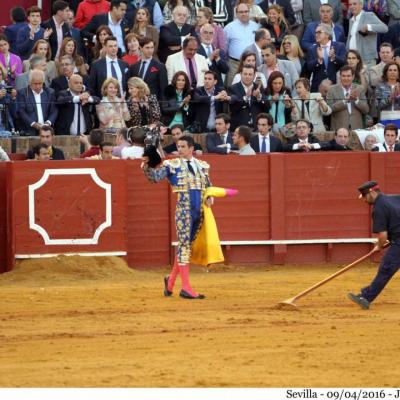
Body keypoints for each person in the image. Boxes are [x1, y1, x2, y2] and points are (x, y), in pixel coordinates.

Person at [142, 135, 212, 299]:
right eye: (178, 146)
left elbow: (208, 185)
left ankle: (171, 281)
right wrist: (146, 164)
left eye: (182, 147)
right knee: (184, 246)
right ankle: (186, 287)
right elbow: (155, 178)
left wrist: (210, 196)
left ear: (191, 149)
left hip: (199, 212)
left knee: (185, 247)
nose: (179, 149)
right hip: (184, 211)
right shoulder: (171, 165)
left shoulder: (202, 166)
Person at [348, 180, 400, 309]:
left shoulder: (378, 209)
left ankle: (366, 297)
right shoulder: (393, 198)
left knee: (386, 269)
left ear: (371, 193)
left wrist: (379, 246)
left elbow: (382, 236)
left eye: (365, 196)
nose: (365, 200)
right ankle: (366, 295)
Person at [223, 2, 260, 87]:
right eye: (241, 12)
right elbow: (225, 48)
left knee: (252, 88)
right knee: (231, 88)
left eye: (246, 11)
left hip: (252, 63)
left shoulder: (256, 27)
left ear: (249, 12)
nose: (244, 14)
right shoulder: (229, 28)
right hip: (234, 64)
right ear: (236, 13)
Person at [346, 0, 388, 69]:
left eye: (354, 4)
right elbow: (350, 38)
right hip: (352, 60)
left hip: (366, 60)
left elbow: (384, 28)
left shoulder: (368, 15)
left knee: (367, 80)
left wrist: (368, 27)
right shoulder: (351, 20)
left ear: (361, 5)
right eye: (350, 4)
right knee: (357, 80)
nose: (352, 6)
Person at [326, 65, 369, 131]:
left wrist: (356, 100)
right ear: (340, 77)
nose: (346, 78)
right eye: (343, 76)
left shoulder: (360, 89)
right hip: (338, 129)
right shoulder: (331, 90)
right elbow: (329, 109)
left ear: (353, 76)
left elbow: (366, 110)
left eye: (348, 76)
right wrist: (344, 101)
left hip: (356, 128)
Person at [16, 69, 58, 136]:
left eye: (40, 83)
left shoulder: (50, 92)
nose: (38, 86)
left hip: (46, 130)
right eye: (35, 84)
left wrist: (48, 123)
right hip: (29, 131)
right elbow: (21, 111)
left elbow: (54, 110)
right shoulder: (22, 93)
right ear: (30, 82)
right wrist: (33, 124)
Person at [306, 24, 346, 92]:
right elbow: (309, 68)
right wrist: (319, 60)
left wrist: (334, 57)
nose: (316, 35)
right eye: (315, 33)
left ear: (327, 35)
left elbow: (344, 64)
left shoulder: (340, 46)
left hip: (336, 85)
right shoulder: (312, 49)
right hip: (318, 87)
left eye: (319, 32)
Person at [228, 64, 266, 131]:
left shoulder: (259, 88)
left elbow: (267, 107)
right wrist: (246, 97)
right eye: (245, 74)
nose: (247, 77)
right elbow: (233, 109)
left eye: (250, 74)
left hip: (257, 127)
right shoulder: (232, 88)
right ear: (240, 74)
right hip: (239, 128)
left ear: (254, 76)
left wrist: (259, 97)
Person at [197, 24, 229, 88]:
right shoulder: (196, 50)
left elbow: (226, 70)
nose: (208, 35)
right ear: (200, 34)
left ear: (213, 36)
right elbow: (198, 69)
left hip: (218, 86)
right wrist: (210, 58)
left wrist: (218, 59)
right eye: (205, 32)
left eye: (211, 33)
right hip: (202, 86)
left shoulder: (219, 51)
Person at [375, 62, 400, 127]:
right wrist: (390, 98)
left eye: (395, 70)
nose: (392, 72)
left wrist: (398, 95)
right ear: (386, 73)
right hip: (384, 119)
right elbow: (378, 106)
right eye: (390, 70)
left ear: (398, 73)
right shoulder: (380, 86)